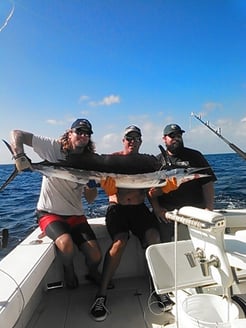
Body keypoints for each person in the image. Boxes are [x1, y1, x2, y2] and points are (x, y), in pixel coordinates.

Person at [90, 125, 176, 322]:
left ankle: (158, 289)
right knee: (120, 241)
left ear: (140, 142)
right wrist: (106, 188)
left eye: (136, 138)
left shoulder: (147, 162)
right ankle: (101, 295)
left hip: (139, 209)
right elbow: (104, 187)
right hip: (117, 209)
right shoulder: (112, 159)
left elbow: (151, 192)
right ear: (123, 140)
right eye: (129, 138)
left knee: (153, 237)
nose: (132, 141)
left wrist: (165, 189)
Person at [10, 119, 102, 288]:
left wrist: (91, 185)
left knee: (96, 255)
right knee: (66, 245)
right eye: (79, 131)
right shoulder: (53, 147)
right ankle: (68, 268)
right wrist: (19, 155)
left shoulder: (90, 161)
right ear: (70, 133)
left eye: (87, 133)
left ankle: (92, 270)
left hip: (76, 215)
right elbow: (17, 134)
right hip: (49, 213)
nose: (83, 135)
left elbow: (90, 199)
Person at [149, 123, 217, 242]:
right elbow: (150, 192)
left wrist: (209, 208)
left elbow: (207, 182)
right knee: (163, 243)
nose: (176, 138)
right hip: (168, 213)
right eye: (172, 136)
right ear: (164, 139)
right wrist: (157, 209)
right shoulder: (156, 161)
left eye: (179, 135)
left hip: (195, 210)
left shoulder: (195, 156)